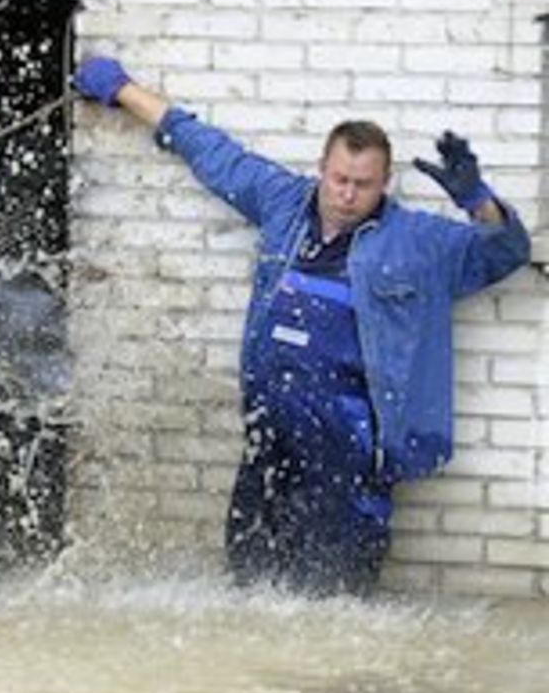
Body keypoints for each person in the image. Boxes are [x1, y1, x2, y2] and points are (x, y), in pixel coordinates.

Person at [73, 56, 530, 595]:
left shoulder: (416, 241)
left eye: (363, 184)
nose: (346, 194)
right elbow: (209, 150)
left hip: (351, 449)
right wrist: (124, 91)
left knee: (336, 599)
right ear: (322, 168)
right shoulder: (283, 202)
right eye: (339, 179)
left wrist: (478, 202)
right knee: (252, 587)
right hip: (271, 437)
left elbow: (506, 252)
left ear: (384, 183)